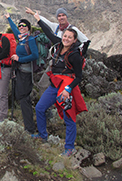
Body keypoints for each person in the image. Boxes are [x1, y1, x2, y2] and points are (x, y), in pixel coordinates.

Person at [33, 12, 88, 157]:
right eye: (65, 36)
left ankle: (69, 148)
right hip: (54, 85)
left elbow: (79, 76)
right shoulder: (58, 45)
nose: (66, 39)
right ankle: (42, 135)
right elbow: (47, 31)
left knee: (68, 116)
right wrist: (38, 19)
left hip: (66, 87)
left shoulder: (75, 55)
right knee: (40, 108)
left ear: (74, 40)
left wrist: (68, 89)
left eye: (70, 37)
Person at [5, 13, 38, 134]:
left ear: (28, 28)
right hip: (20, 71)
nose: (21, 27)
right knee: (21, 97)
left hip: (26, 73)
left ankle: (30, 129)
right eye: (20, 26)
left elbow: (35, 55)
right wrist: (9, 18)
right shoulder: (21, 38)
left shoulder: (30, 39)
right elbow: (14, 29)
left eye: (24, 25)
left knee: (24, 98)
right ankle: (28, 125)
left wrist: (19, 59)